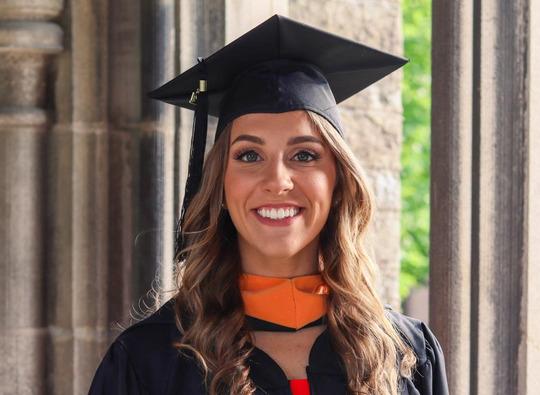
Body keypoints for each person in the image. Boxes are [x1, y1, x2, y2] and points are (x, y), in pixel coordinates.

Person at [88, 14, 449, 395]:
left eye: (305, 155)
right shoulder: (149, 362)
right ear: (220, 186)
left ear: (339, 181)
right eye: (248, 156)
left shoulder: (406, 355)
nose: (277, 181)